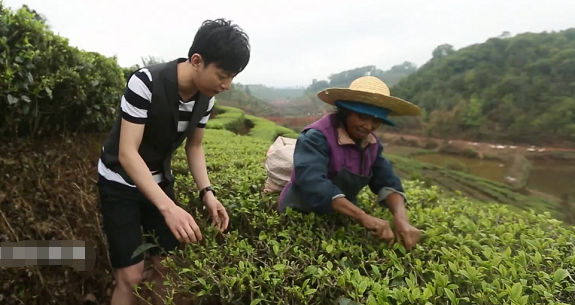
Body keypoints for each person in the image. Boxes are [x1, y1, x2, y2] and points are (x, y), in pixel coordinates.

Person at [96, 19, 250, 305]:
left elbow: (195, 145)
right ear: (196, 61)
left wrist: (208, 193)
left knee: (168, 267)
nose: (227, 85)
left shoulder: (206, 99)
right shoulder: (145, 82)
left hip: (158, 179)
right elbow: (128, 153)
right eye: (223, 75)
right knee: (130, 276)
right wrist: (169, 208)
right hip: (119, 182)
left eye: (232, 77)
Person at [278, 76, 423, 250]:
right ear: (346, 111)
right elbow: (313, 183)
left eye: (376, 120)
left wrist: (401, 219)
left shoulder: (372, 144)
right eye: (362, 116)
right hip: (300, 212)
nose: (368, 126)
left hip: (342, 215)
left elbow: (387, 180)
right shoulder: (317, 137)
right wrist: (362, 216)